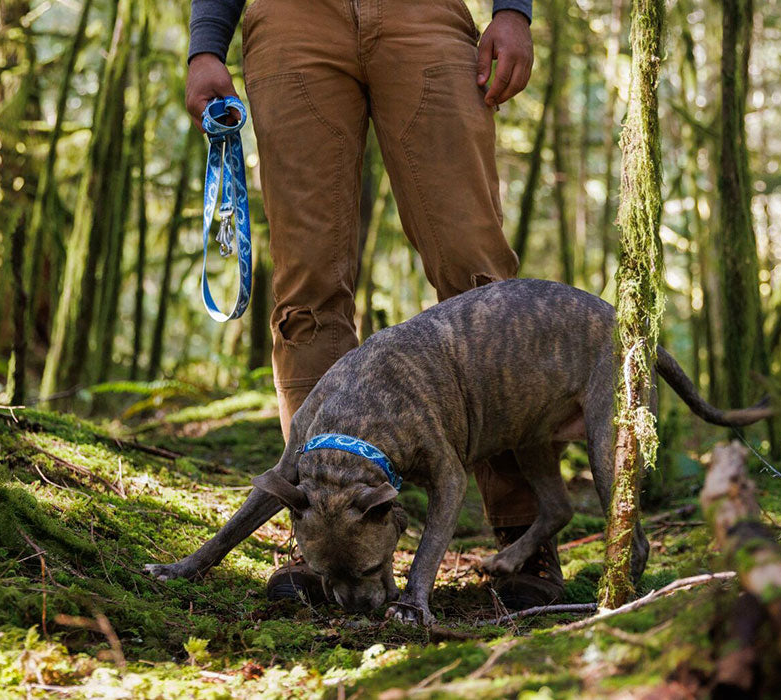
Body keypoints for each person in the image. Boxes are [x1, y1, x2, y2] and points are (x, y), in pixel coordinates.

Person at [185, 0, 562, 609]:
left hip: (425, 19)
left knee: (481, 282)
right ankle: (322, 530)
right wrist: (207, 44)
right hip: (290, 23)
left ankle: (525, 533)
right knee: (308, 291)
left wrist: (512, 11)